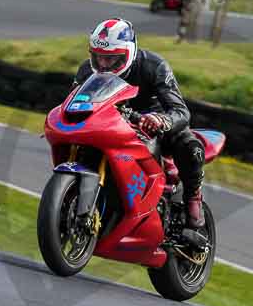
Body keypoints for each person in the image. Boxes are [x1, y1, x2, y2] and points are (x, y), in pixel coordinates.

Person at [73, 18, 205, 228]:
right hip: (110, 125)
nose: (104, 65)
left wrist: (161, 120)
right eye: (98, 58)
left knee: (190, 145)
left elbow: (181, 111)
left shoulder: (154, 66)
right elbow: (73, 102)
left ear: (129, 53)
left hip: (153, 126)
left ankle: (193, 197)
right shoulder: (87, 71)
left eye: (111, 59)